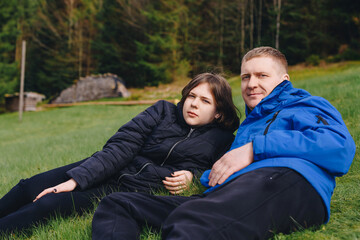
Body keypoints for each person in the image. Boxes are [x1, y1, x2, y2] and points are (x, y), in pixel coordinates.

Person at [92, 47, 356, 240]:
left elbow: (339, 147)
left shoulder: (305, 105)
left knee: (189, 224)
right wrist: (195, 176)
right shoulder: (248, 126)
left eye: (262, 75)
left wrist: (254, 149)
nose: (251, 84)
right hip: (231, 192)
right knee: (118, 204)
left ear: (283, 80)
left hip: (290, 181)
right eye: (245, 77)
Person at [0, 73, 240, 234]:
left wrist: (192, 175)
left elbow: (213, 172)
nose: (194, 104)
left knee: (47, 204)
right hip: (111, 165)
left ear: (218, 112)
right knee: (29, 186)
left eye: (205, 101)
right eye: (191, 96)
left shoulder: (222, 140)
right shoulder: (162, 111)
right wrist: (74, 180)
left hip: (128, 189)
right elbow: (120, 147)